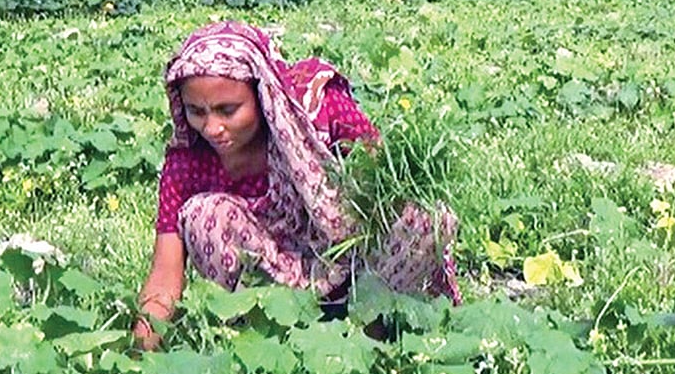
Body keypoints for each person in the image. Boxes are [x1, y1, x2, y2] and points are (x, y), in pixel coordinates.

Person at [133, 21, 461, 350]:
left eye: (227, 110)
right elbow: (165, 275)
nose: (212, 127)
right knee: (203, 215)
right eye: (196, 112)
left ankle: (370, 339)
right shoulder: (187, 161)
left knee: (425, 215)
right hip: (277, 287)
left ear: (262, 94)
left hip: (350, 264)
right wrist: (137, 360)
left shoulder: (319, 107)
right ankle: (258, 339)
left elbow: (384, 175)